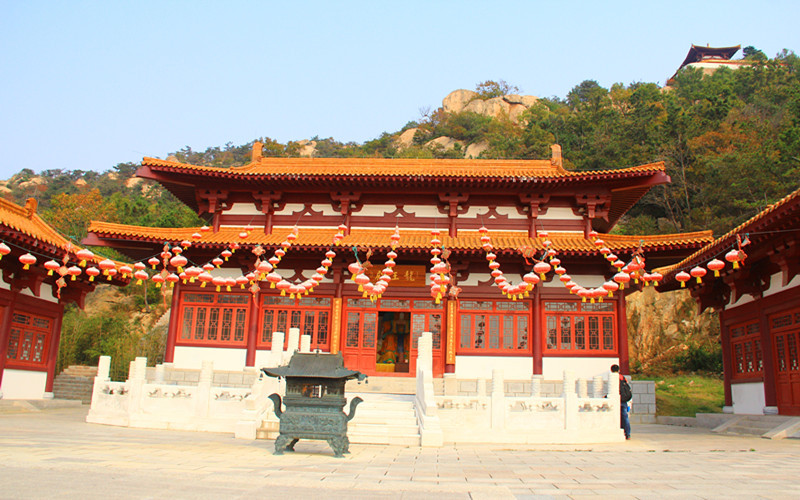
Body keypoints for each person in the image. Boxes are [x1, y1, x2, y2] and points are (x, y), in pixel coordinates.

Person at [611, 364, 632, 440]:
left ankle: (619, 431)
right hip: (624, 399)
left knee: (616, 416)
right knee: (624, 416)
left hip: (618, 400)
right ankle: (627, 433)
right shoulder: (623, 377)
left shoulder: (613, 378)